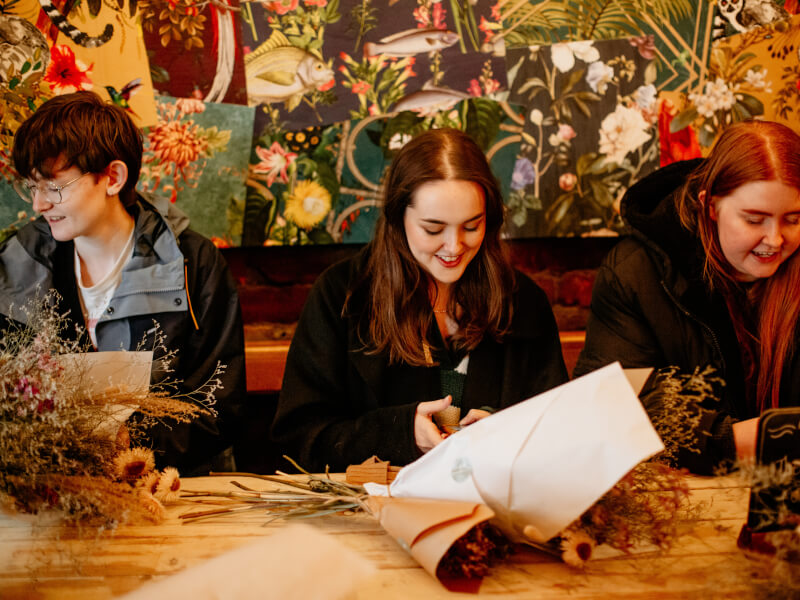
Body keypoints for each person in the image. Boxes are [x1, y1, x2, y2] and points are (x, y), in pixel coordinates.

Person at [272, 128, 569, 472]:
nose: (454, 247)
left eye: (472, 226)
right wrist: (399, 432)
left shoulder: (522, 300)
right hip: (367, 515)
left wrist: (501, 430)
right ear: (399, 219)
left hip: (494, 513)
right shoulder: (342, 296)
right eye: (432, 229)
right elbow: (299, 441)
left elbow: (556, 432)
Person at [1, 91, 246, 475]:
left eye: (54, 187)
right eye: (32, 187)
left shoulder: (193, 264)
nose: (38, 205)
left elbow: (219, 407)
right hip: (51, 492)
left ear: (112, 177)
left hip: (173, 488)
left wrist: (127, 446)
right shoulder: (16, 266)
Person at [574, 120, 800, 474]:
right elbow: (613, 406)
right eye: (755, 220)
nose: (775, 239)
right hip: (686, 493)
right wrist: (751, 439)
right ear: (710, 205)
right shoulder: (635, 271)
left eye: (793, 219)